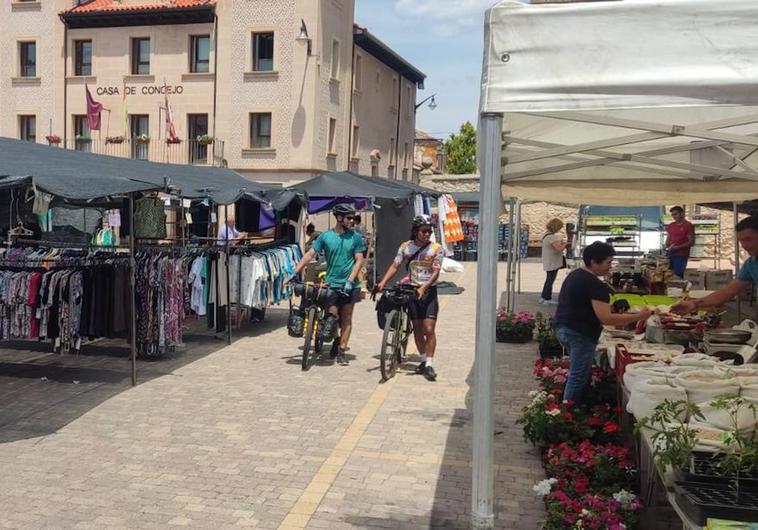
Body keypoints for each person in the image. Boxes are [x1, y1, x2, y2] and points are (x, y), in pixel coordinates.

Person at [553, 242, 652, 406]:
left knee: (580, 373)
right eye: (608, 262)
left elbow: (586, 305)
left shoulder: (576, 274)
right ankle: (568, 414)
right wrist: (640, 316)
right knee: (578, 376)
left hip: (564, 328)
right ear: (593, 262)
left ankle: (577, 408)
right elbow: (606, 319)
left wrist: (614, 308)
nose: (610, 267)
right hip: (580, 333)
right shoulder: (595, 285)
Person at [291, 203, 366, 364]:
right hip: (331, 283)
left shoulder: (356, 238)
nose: (352, 221)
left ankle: (342, 350)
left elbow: (359, 260)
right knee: (332, 315)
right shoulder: (325, 236)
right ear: (339, 218)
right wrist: (295, 271)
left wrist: (350, 280)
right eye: (349, 218)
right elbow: (310, 254)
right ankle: (337, 339)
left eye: (353, 218)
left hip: (350, 285)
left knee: (346, 317)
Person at [377, 215, 443, 382]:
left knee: (429, 328)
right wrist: (382, 281)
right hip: (411, 291)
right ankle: (422, 360)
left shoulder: (436, 248)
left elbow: (435, 272)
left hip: (428, 291)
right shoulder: (406, 247)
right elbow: (395, 265)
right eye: (424, 231)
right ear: (415, 231)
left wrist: (424, 287)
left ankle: (429, 363)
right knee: (418, 328)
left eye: (429, 231)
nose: (427, 234)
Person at [672, 216, 758, 315]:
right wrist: (694, 304)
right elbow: (727, 292)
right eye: (741, 241)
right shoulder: (751, 264)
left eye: (749, 239)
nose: (744, 245)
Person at [540, 218, 567, 304]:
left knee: (549, 279)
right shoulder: (551, 237)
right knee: (550, 280)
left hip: (548, 260)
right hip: (552, 262)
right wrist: (565, 243)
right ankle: (547, 298)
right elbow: (559, 249)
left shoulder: (546, 235)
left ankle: (544, 297)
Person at [665, 206, 695, 278]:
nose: (674, 216)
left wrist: (677, 247)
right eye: (672, 215)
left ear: (682, 213)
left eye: (676, 214)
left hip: (681, 255)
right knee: (667, 275)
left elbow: (691, 242)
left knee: (677, 275)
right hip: (670, 254)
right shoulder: (671, 225)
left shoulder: (688, 225)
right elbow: (668, 238)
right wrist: (666, 245)